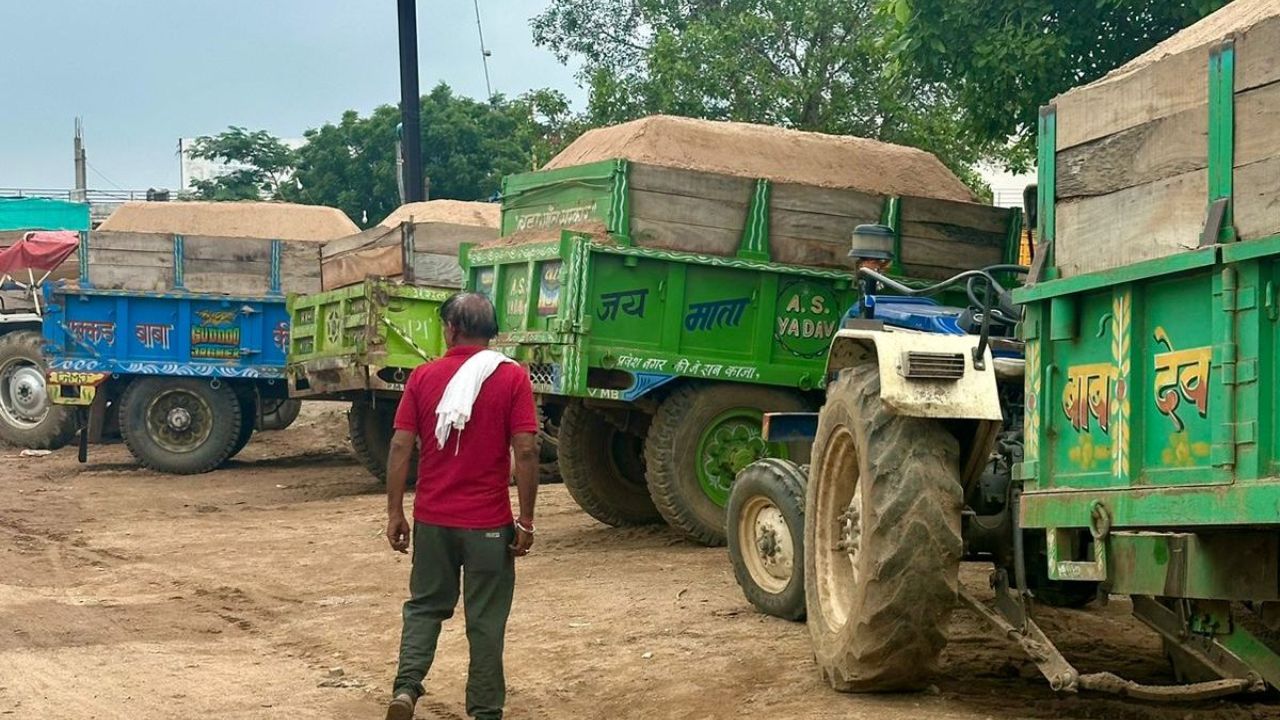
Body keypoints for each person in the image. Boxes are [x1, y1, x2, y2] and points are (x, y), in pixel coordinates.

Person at [384, 292, 539, 720]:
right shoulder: (512, 378)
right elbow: (525, 451)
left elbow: (400, 445)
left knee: (425, 607)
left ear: (450, 329)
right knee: (486, 622)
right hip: (489, 524)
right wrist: (526, 521)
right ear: (492, 332)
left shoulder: (423, 377)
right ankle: (486, 712)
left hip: (433, 519)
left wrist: (395, 511)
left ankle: (406, 689)